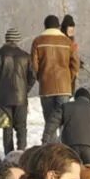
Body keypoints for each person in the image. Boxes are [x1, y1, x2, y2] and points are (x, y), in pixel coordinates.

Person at [28, 16, 77, 144]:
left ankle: (52, 150)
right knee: (63, 120)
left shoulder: (38, 41)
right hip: (64, 87)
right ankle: (65, 149)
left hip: (46, 86)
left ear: (45, 26)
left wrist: (41, 77)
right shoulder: (67, 41)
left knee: (50, 122)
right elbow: (75, 63)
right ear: (58, 26)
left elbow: (34, 65)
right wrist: (68, 78)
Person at [0, 28, 33, 156]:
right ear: (17, 40)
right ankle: (22, 153)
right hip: (21, 97)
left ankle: (9, 154)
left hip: (4, 97)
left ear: (6, 39)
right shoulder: (26, 56)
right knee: (21, 127)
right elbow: (32, 76)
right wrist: (25, 89)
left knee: (7, 128)